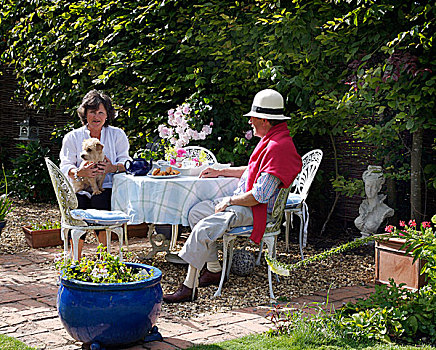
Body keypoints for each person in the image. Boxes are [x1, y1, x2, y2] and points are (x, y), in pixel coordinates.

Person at [163, 89, 302, 303]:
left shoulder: (278, 148)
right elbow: (252, 171)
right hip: (246, 205)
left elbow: (259, 196)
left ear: (264, 120)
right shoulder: (272, 140)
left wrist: (229, 200)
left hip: (257, 211)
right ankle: (215, 269)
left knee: (204, 226)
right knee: (196, 213)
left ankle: (188, 287)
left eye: (252, 118)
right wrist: (221, 171)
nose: (250, 122)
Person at [60, 89, 131, 258]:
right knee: (79, 204)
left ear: (107, 115)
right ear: (85, 114)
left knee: (101, 201)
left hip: (106, 186)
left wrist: (112, 168)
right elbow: (64, 164)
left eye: (101, 112)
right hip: (81, 186)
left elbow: (127, 162)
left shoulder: (117, 135)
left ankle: (104, 258)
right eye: (92, 112)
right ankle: (75, 258)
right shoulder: (73, 137)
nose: (96, 116)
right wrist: (78, 171)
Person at [354, 165, 394, 238]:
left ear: (379, 188)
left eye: (373, 187)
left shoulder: (384, 210)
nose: (369, 190)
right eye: (367, 186)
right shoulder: (363, 206)